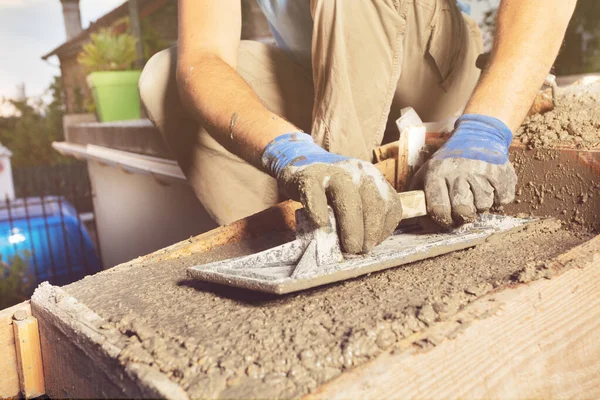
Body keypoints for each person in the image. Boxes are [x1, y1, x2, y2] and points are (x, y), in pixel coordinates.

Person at [139, 0, 577, 254]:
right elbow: (203, 59)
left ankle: (350, 239)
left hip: (428, 67)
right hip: (326, 76)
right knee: (164, 77)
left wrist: (488, 123)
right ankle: (309, 219)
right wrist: (288, 151)